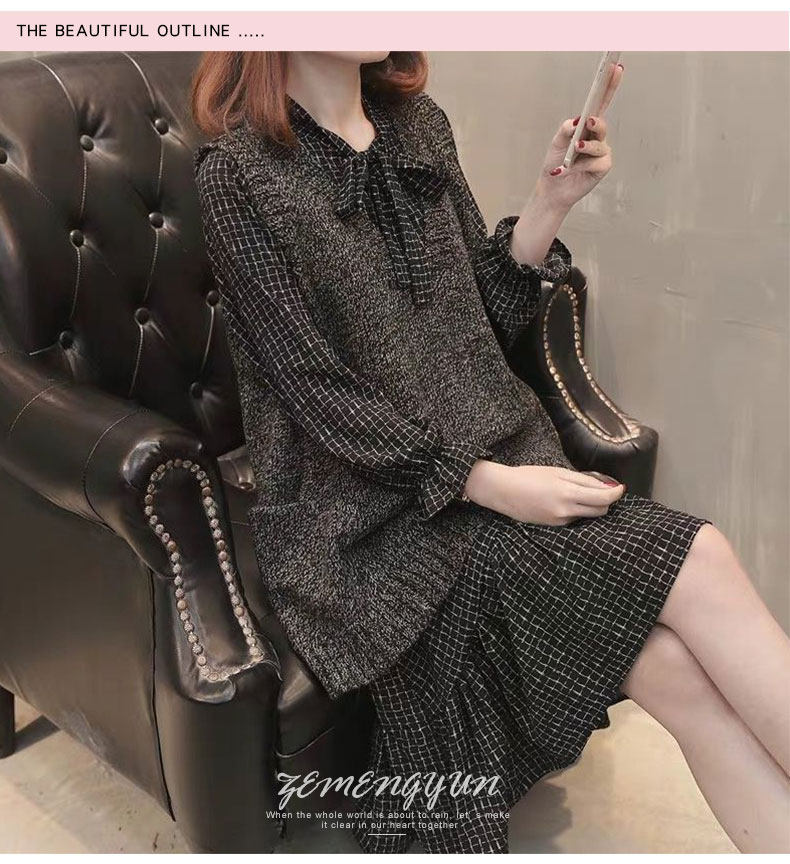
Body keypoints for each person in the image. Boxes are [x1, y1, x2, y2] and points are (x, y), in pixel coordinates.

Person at [191, 51, 790, 853]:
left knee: (675, 670)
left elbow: (479, 320)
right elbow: (314, 391)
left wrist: (549, 203)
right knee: (702, 555)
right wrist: (482, 483)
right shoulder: (237, 176)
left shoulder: (418, 127)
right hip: (365, 524)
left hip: (493, 462)